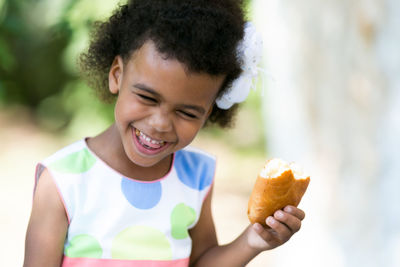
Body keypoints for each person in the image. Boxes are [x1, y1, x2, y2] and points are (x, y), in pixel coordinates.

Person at [23, 0, 306, 266]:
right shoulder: (63, 181)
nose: (160, 123)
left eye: (186, 112)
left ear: (207, 112)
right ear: (116, 74)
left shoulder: (195, 177)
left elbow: (201, 261)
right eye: (147, 98)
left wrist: (253, 241)